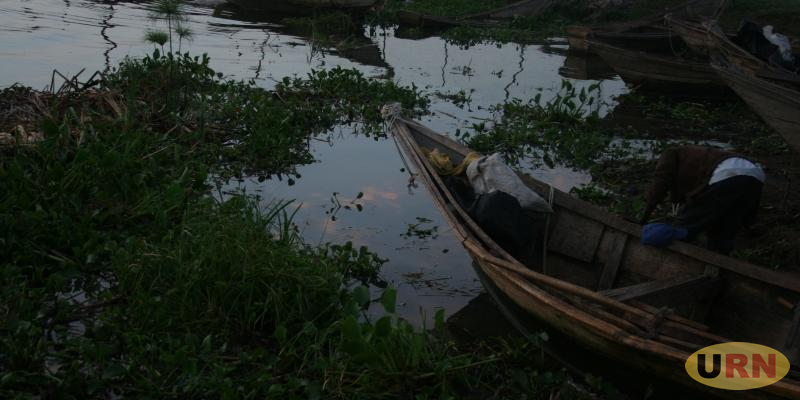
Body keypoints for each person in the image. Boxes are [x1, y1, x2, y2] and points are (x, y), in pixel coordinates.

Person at [640, 146, 765, 254]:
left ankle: (677, 254)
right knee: (725, 226)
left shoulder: (670, 154)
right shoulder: (697, 155)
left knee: (686, 225)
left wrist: (644, 217)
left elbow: (660, 184)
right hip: (756, 176)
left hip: (728, 175)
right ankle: (719, 259)